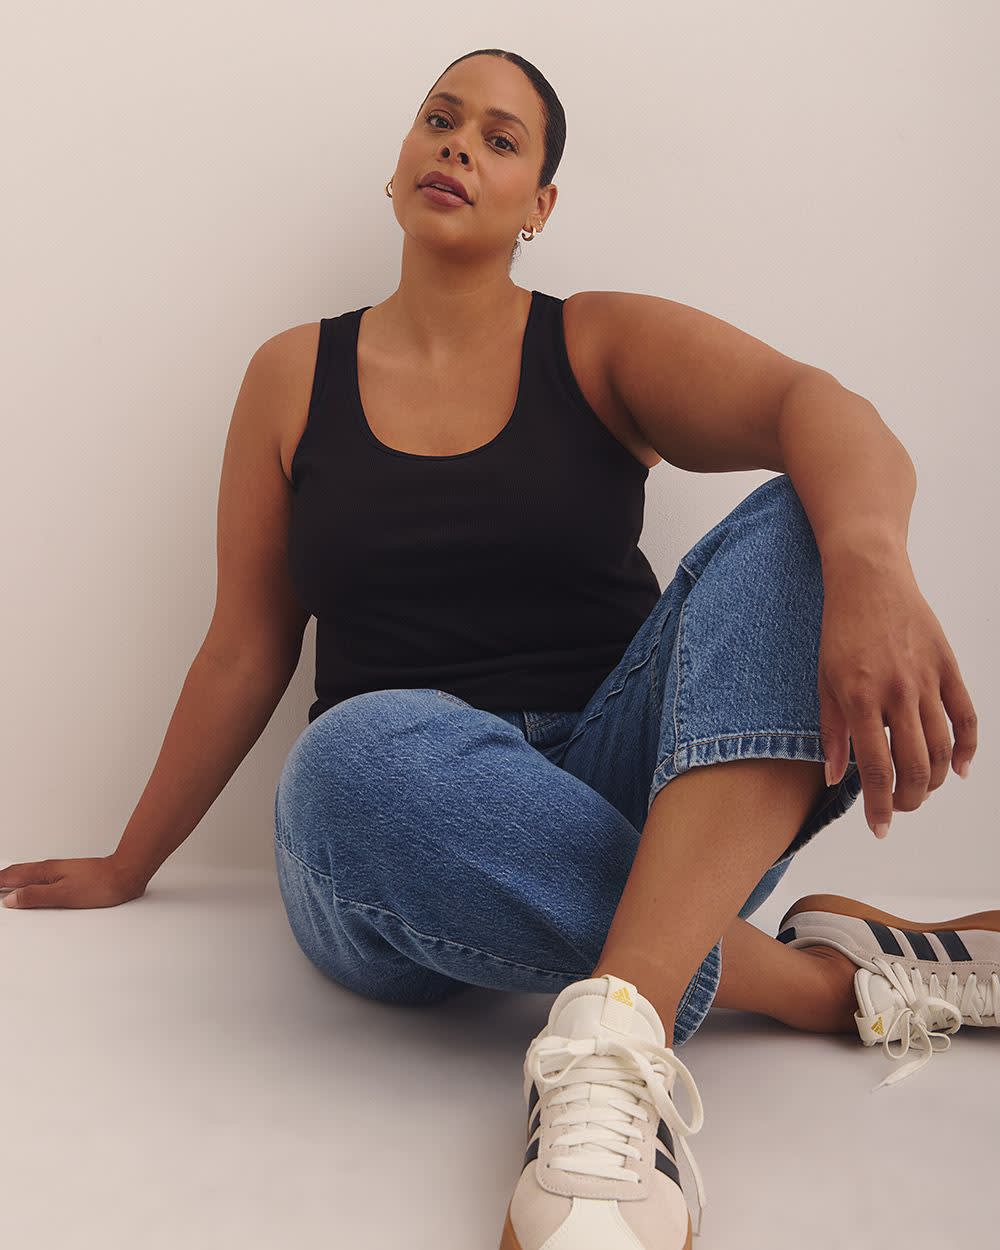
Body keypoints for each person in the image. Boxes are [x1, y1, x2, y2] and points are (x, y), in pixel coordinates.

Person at [1, 47, 987, 1250]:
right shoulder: (291, 376)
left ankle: (613, 1039)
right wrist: (129, 859)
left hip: (634, 786)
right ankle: (818, 983)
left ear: (540, 204)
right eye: (439, 119)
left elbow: (819, 408)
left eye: (500, 138)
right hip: (399, 826)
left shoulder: (595, 342)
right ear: (399, 166)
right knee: (347, 754)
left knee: (806, 510)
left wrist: (871, 565)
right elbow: (245, 646)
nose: (459, 145)